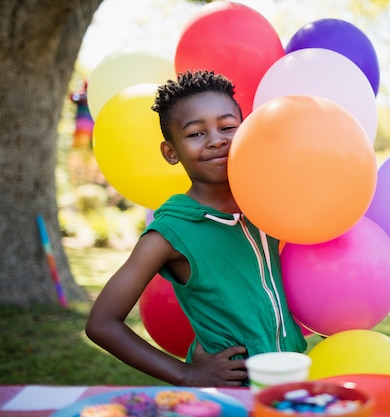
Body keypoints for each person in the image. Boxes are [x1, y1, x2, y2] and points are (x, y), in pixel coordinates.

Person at [85, 70, 307, 387]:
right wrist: (186, 373)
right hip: (227, 394)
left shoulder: (265, 205)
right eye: (195, 134)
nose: (216, 140)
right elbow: (102, 323)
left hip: (290, 380)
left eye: (228, 127)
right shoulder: (171, 231)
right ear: (171, 152)